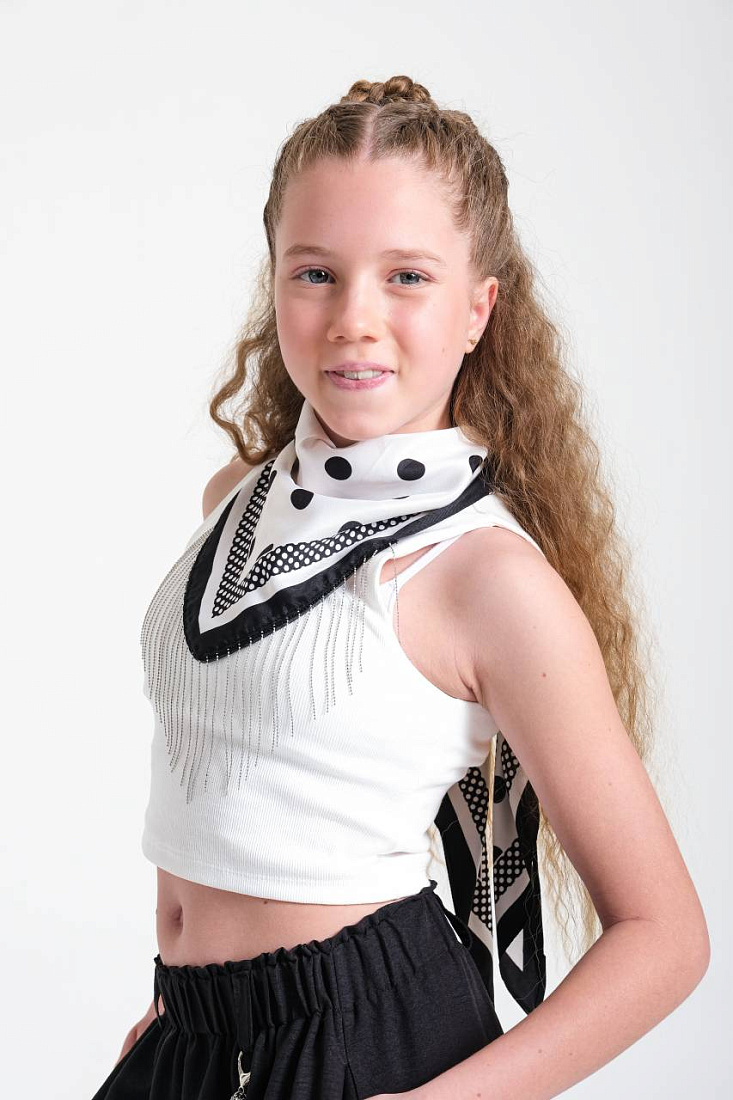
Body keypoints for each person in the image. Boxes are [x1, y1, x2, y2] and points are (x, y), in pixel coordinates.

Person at [91, 75, 709, 1100]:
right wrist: (182, 1017)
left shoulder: (486, 577)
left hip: (359, 1046)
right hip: (197, 1031)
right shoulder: (234, 498)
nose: (353, 319)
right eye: (316, 272)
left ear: (477, 309)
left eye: (407, 276)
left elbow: (664, 935)